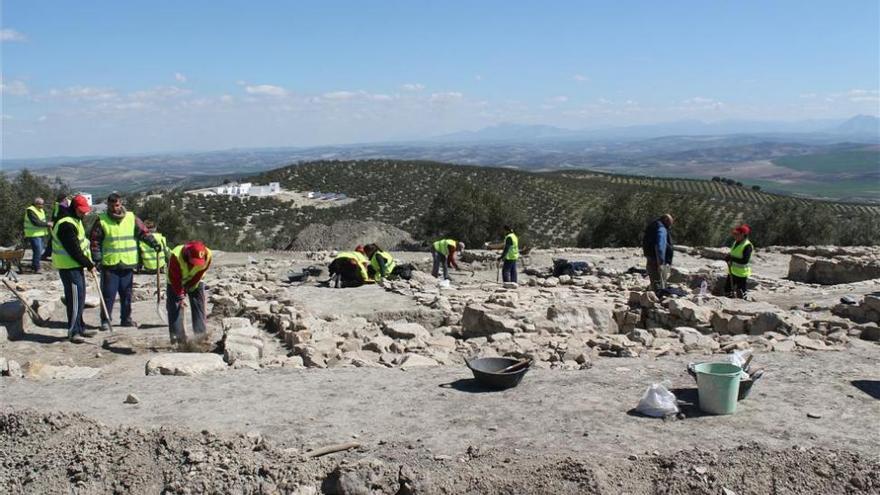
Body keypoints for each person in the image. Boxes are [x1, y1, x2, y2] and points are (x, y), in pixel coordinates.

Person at [89, 193, 160, 330]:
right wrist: (97, 258)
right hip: (110, 264)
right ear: (108, 205)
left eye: (117, 205)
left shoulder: (131, 218)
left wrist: (154, 243)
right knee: (108, 294)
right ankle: (105, 320)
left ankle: (126, 319)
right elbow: (95, 241)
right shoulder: (101, 220)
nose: (114, 208)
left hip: (128, 263)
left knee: (126, 294)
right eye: (111, 205)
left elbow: (144, 233)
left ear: (120, 204)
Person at [51, 195, 97, 343]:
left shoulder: (75, 220)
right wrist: (89, 264)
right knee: (74, 300)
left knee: (80, 297)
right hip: (69, 266)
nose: (84, 213)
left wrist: (87, 262)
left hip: (76, 266)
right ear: (74, 208)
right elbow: (74, 250)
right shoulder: (66, 224)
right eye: (81, 210)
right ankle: (73, 331)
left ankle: (80, 327)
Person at [166, 240, 212, 343]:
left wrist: (190, 285)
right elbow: (175, 279)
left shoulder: (207, 255)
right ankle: (178, 339)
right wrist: (181, 296)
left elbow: (200, 272)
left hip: (195, 280)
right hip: (175, 281)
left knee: (198, 305)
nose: (195, 265)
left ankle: (200, 337)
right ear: (187, 254)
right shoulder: (176, 256)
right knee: (175, 307)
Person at [642, 214, 674, 292]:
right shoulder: (661, 228)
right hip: (657, 258)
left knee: (653, 278)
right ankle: (658, 297)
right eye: (669, 224)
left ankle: (652, 293)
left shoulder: (652, 226)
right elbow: (660, 245)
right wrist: (661, 261)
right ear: (666, 220)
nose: (669, 227)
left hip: (649, 256)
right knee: (660, 280)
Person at [23, 197, 52, 273]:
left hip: (40, 234)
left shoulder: (40, 210)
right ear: (36, 204)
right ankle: (37, 268)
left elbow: (41, 220)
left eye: (43, 204)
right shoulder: (31, 210)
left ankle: (34, 266)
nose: (42, 205)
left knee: (39, 251)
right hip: (33, 234)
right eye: (41, 204)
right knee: (38, 251)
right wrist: (47, 224)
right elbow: (35, 222)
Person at [725, 224, 753, 299]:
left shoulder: (747, 246)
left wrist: (732, 258)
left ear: (743, 235)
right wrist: (728, 257)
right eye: (734, 234)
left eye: (736, 234)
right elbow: (734, 253)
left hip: (741, 273)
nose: (734, 236)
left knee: (741, 292)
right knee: (727, 289)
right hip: (732, 271)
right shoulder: (736, 242)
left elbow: (745, 261)